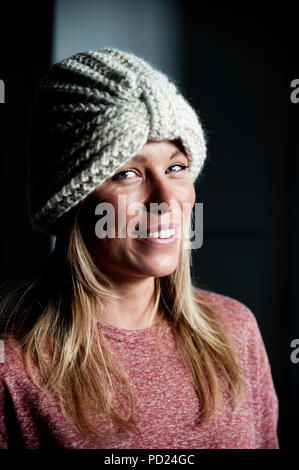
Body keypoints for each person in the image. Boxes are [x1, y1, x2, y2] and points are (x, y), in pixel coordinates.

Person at [0, 48, 279, 449]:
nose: (166, 199)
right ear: (71, 202)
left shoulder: (236, 331)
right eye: (127, 173)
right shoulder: (12, 366)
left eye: (176, 167)